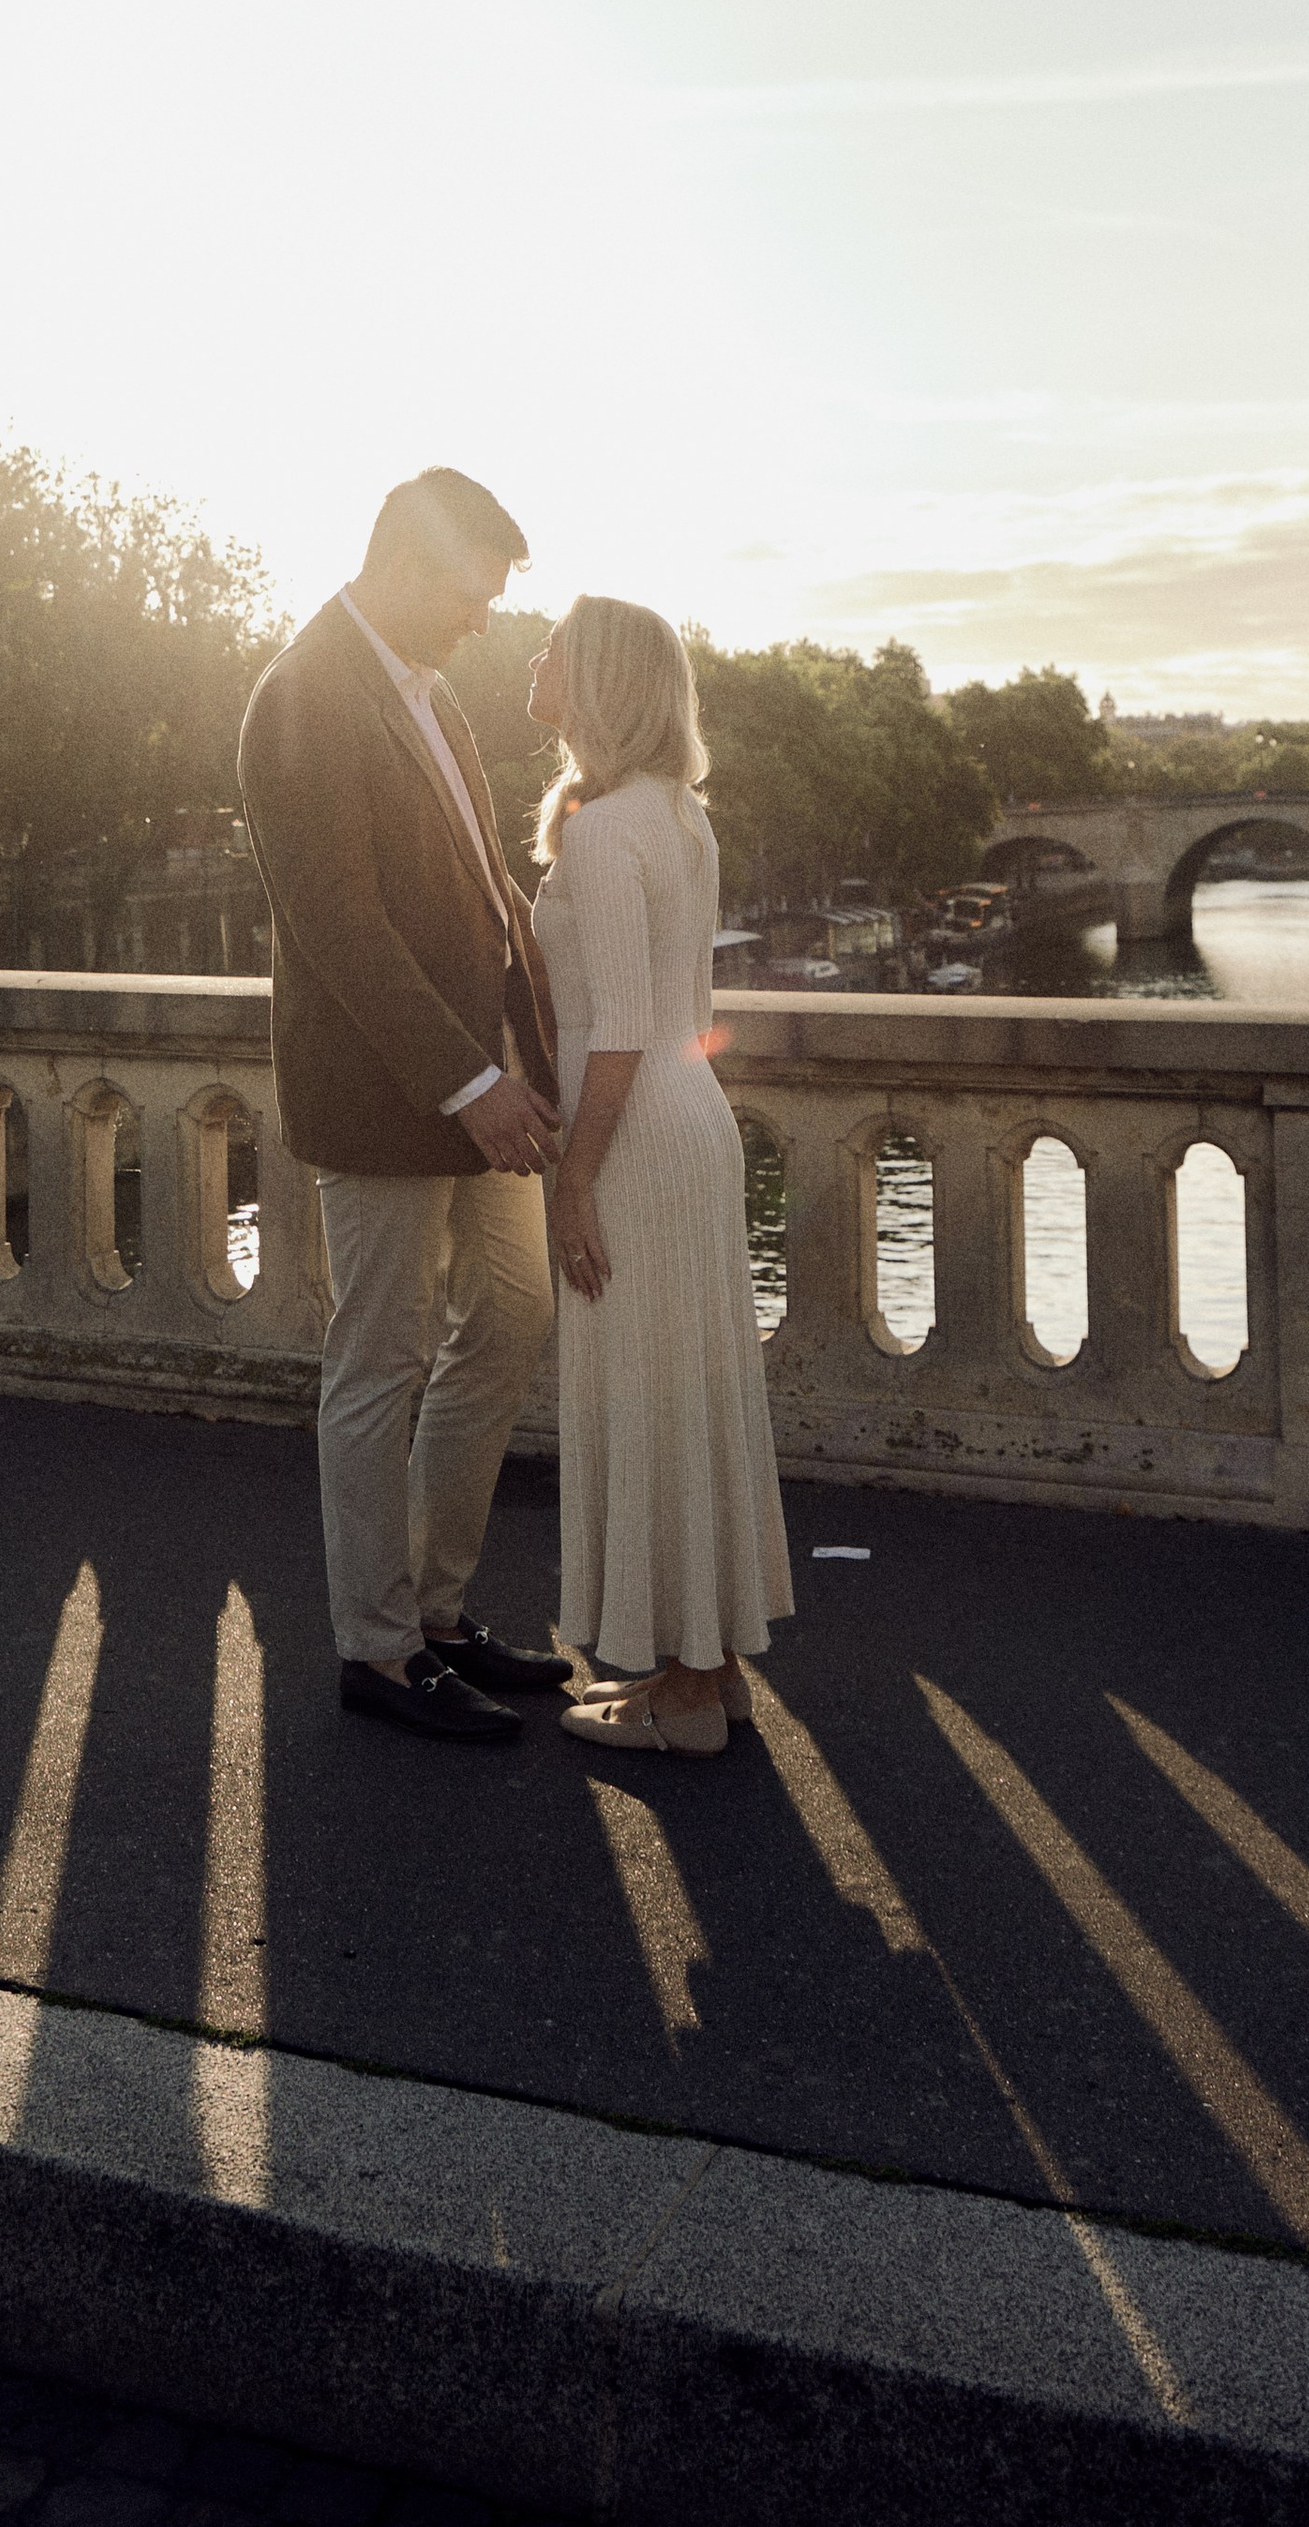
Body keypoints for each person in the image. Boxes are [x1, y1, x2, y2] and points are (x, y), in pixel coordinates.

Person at [237, 469, 572, 1745]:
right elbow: (341, 927)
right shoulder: (304, 695)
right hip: (389, 1094)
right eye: (472, 593)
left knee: (513, 1317)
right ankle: (376, 1652)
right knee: (376, 1359)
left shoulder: (424, 697)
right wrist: (475, 1080)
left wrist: (541, 1045)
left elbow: (491, 904)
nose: (484, 622)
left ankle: (435, 1611)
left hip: (482, 1081)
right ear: (403, 564)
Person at [528, 596, 793, 1756]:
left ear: (596, 680)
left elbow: (619, 1027)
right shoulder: (675, 814)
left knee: (643, 1394)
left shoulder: (598, 829)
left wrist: (572, 1182)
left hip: (631, 1132)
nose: (530, 657)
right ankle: (705, 1666)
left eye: (552, 648)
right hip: (691, 1116)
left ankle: (685, 1697)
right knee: (690, 1392)